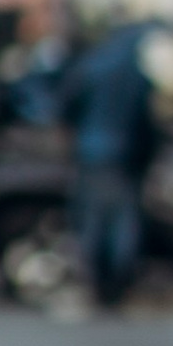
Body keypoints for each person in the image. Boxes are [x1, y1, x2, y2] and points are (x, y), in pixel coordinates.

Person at [61, 19, 158, 310]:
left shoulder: (93, 65)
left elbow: (68, 103)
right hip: (122, 154)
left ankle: (95, 280)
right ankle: (116, 282)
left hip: (91, 151)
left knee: (92, 219)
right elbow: (145, 119)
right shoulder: (136, 73)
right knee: (121, 221)